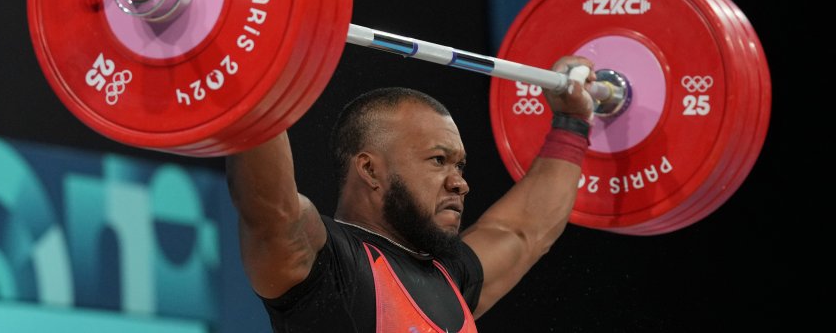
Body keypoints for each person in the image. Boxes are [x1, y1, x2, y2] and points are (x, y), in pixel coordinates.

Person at [225, 56, 596, 332]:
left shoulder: (449, 277)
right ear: (370, 170)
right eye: (439, 161)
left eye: (460, 166)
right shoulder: (328, 270)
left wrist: (572, 123)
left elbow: (522, 232)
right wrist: (248, 59)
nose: (460, 183)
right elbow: (270, 210)